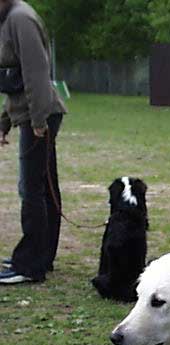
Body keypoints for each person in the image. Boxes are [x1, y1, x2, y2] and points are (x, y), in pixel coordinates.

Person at [0, 0, 66, 284]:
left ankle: (29, 265)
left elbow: (36, 74)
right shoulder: (9, 19)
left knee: (31, 190)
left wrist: (39, 120)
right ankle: (41, 255)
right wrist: (4, 122)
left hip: (39, 116)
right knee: (43, 188)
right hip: (33, 114)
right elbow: (16, 82)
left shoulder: (20, 19)